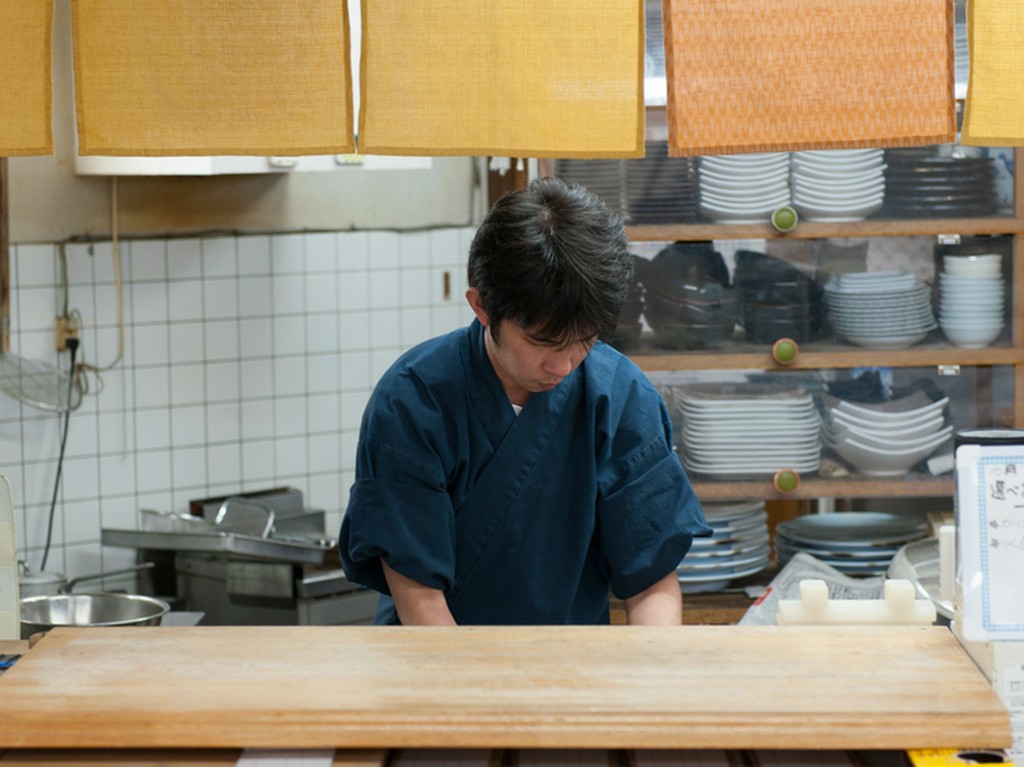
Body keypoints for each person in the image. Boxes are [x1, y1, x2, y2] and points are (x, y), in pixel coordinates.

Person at [338, 176, 710, 626]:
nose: (564, 365)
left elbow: (651, 584)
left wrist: (653, 664)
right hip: (434, 654)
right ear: (482, 306)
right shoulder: (413, 402)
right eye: (543, 342)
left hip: (575, 660)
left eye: (584, 341)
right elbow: (421, 600)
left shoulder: (620, 397)